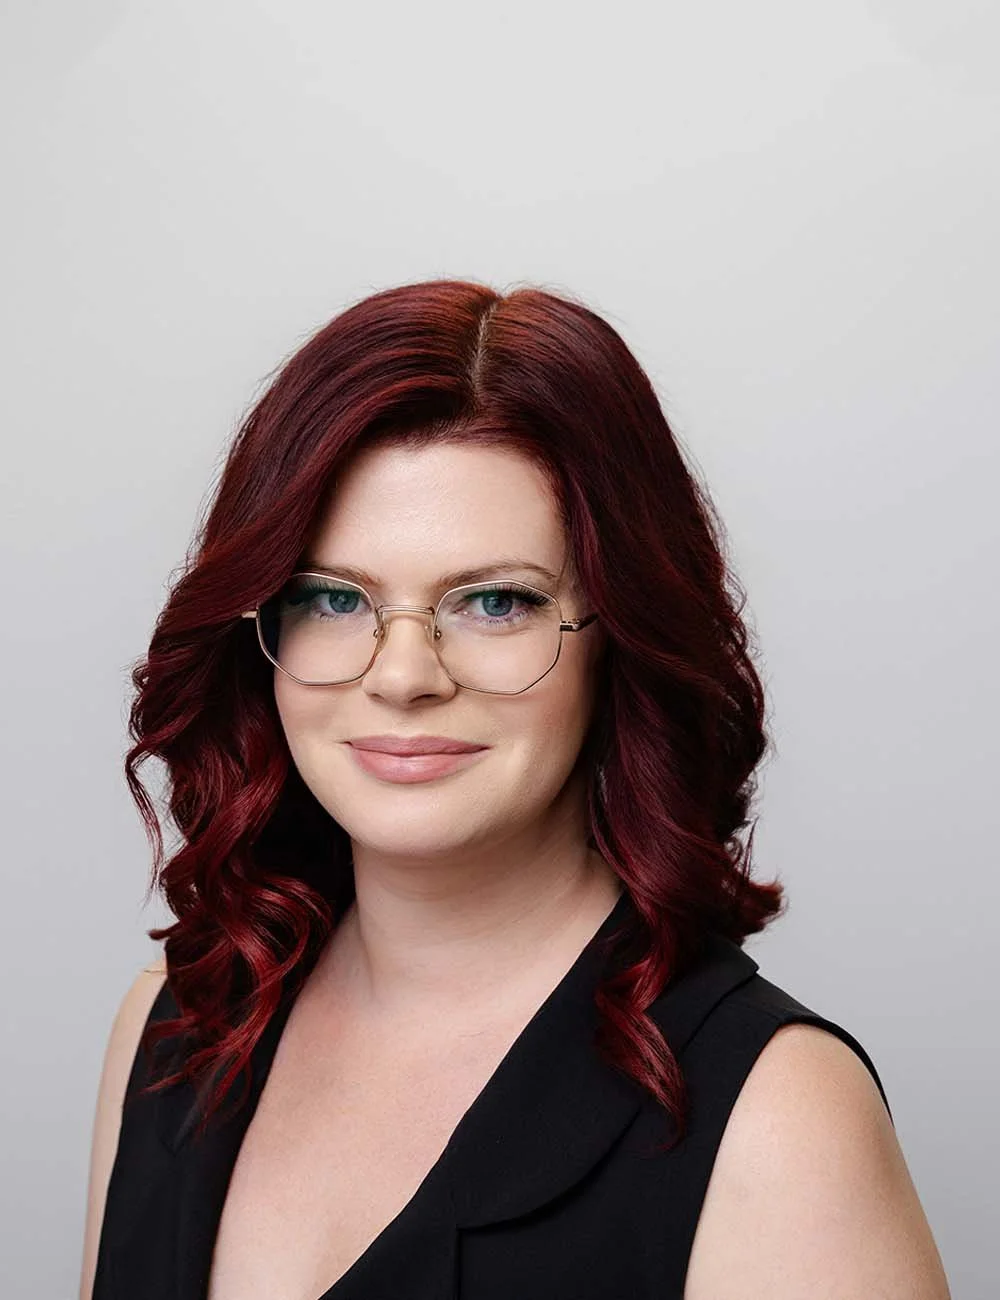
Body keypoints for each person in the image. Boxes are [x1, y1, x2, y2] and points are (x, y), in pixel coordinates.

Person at [79, 279, 951, 1300]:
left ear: (619, 639)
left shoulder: (777, 1119)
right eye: (333, 598)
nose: (403, 675)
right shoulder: (170, 1035)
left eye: (496, 602)